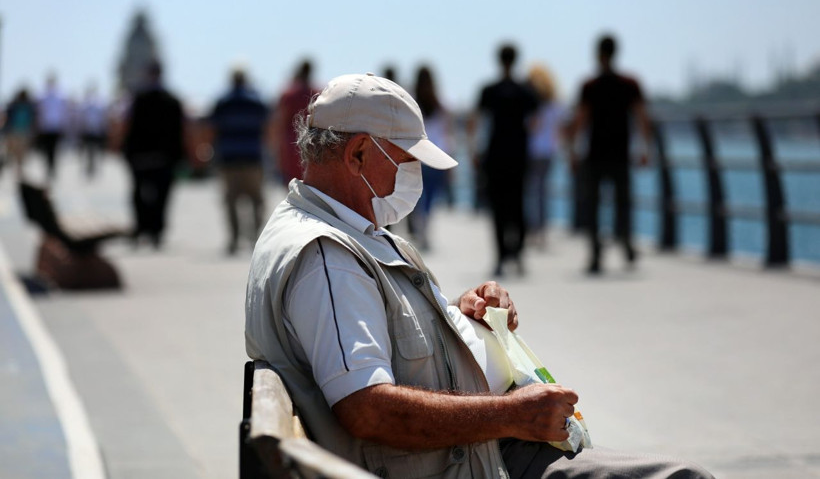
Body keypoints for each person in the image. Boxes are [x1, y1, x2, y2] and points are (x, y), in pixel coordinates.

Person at [245, 72, 712, 479]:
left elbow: (365, 330)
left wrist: (452, 314)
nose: (413, 174)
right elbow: (367, 410)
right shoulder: (328, 258)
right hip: (475, 459)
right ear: (359, 154)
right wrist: (513, 415)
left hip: (477, 450)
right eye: (406, 160)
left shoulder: (340, 229)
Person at [566, 35, 652, 274]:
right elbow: (642, 117)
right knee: (623, 204)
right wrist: (646, 148)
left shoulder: (590, 85)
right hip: (621, 155)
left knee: (593, 207)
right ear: (616, 53)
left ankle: (596, 255)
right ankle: (626, 243)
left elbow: (580, 120)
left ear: (597, 54)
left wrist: (572, 151)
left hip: (595, 155)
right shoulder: (630, 83)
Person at [473, 44, 539, 276]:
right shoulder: (526, 91)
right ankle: (518, 253)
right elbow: (536, 122)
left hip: (495, 155)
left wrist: (474, 151)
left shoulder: (489, 90)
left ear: (499, 60)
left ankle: (501, 257)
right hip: (519, 155)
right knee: (519, 206)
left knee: (498, 208)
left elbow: (478, 122)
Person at [205, 66, 270, 254]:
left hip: (229, 157)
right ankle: (255, 237)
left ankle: (234, 239)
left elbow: (211, 128)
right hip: (252, 157)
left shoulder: (223, 102)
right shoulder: (256, 101)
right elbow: (268, 126)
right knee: (256, 200)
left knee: (231, 200)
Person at [122, 61, 186, 248]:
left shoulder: (137, 99)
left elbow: (126, 126)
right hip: (164, 157)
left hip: (140, 156)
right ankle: (156, 230)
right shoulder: (172, 100)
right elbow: (181, 130)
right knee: (161, 196)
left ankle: (143, 227)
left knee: (140, 194)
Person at [408, 65, 453, 250]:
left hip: (417, 155)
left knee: (418, 197)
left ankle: (420, 227)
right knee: (431, 198)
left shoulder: (411, 103)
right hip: (437, 156)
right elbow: (447, 135)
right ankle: (425, 228)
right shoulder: (440, 105)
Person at [525, 64, 566, 250]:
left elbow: (531, 127)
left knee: (530, 192)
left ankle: (533, 230)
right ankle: (541, 231)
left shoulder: (534, 105)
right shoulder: (555, 105)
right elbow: (561, 128)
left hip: (531, 151)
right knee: (542, 193)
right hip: (548, 152)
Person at [269, 59, 320, 186]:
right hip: (313, 143)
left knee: (291, 185)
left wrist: (275, 149)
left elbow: (279, 123)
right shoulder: (317, 93)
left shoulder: (288, 94)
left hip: (291, 144)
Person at [37, 73, 69, 180]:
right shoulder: (44, 96)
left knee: (53, 149)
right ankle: (49, 168)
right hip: (47, 127)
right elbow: (40, 113)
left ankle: (52, 168)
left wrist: (63, 125)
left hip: (54, 127)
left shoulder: (59, 96)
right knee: (48, 149)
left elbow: (62, 113)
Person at [2, 87, 37, 177]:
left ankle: (18, 169)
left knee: (18, 153)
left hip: (19, 132)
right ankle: (17, 169)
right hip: (18, 132)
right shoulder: (18, 106)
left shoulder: (21, 106)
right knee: (17, 153)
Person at [78, 84, 109, 178]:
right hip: (89, 130)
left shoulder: (98, 104)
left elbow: (102, 118)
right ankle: (90, 165)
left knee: (93, 150)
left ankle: (92, 166)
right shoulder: (87, 104)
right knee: (89, 150)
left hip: (95, 130)